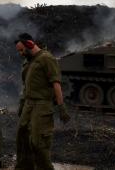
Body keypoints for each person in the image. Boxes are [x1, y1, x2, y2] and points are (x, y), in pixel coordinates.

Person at [14, 33, 70, 170]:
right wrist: (22, 104)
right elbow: (26, 84)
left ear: (29, 44)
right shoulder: (29, 61)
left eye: (22, 50)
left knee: (38, 142)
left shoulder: (46, 59)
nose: (20, 53)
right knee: (22, 138)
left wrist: (61, 107)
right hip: (28, 104)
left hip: (42, 105)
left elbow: (56, 84)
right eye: (19, 51)